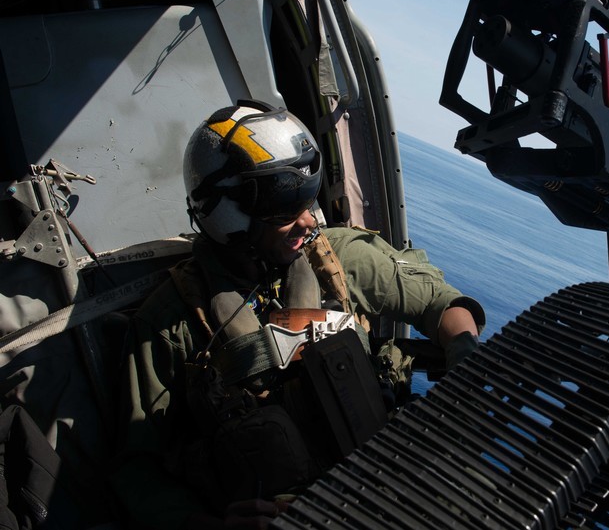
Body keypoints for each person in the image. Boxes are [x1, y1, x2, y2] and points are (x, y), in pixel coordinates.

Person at [111, 101, 484, 529]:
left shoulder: (338, 261)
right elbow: (135, 470)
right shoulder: (172, 322)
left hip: (383, 480)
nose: (308, 221)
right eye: (286, 212)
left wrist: (465, 370)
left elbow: (445, 306)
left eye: (307, 202)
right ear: (230, 215)